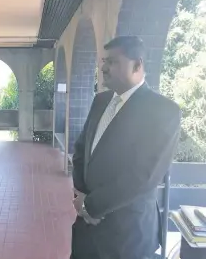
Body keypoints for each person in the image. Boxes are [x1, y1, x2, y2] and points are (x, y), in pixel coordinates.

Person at [70, 36, 181, 259]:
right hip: (86, 232)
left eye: (112, 62)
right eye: (103, 61)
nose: (103, 68)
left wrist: (92, 207)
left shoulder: (163, 111)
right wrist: (81, 198)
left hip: (127, 237)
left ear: (137, 65)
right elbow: (82, 150)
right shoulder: (100, 101)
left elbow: (144, 175)